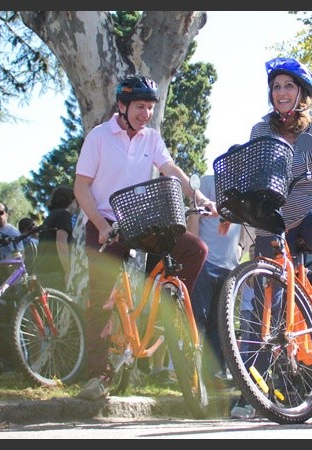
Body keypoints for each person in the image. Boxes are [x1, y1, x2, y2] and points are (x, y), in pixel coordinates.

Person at [73, 74, 213, 401]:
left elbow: (170, 170)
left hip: (141, 219)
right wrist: (101, 224)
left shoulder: (151, 138)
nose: (145, 113)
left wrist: (199, 198)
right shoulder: (99, 137)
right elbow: (81, 187)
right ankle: (98, 377)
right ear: (122, 106)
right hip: (105, 221)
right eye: (140, 106)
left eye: (150, 107)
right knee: (102, 297)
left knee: (195, 250)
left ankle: (164, 309)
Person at [229, 57, 312, 419]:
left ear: (302, 92)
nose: (281, 92)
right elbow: (251, 167)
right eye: (276, 87)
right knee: (265, 298)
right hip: (276, 216)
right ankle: (252, 387)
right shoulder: (261, 129)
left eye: (288, 86)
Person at [186, 174, 245, 390]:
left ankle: (214, 375)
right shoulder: (207, 183)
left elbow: (243, 232)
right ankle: (190, 373)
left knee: (220, 324)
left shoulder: (243, 193)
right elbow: (193, 214)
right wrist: (194, 253)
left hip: (229, 268)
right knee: (197, 319)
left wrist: (240, 252)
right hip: (205, 263)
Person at [34, 185, 77, 292]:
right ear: (70, 201)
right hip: (54, 270)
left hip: (41, 269)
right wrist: (68, 271)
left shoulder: (51, 216)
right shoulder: (64, 215)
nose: (76, 207)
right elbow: (61, 242)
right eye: (76, 203)